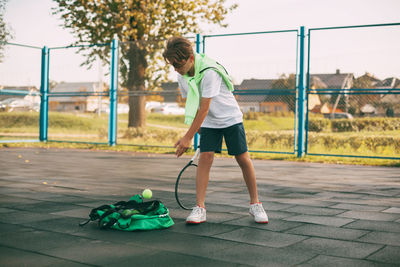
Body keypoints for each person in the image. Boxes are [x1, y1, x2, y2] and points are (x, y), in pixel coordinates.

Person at [163, 36, 268, 224]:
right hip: (209, 122)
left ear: (190, 59)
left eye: (178, 64)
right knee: (206, 157)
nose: (175, 69)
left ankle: (255, 204)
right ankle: (200, 207)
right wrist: (199, 131)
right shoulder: (182, 76)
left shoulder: (210, 72)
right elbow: (195, 105)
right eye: (172, 65)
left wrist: (187, 137)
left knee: (242, 158)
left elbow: (204, 108)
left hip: (230, 119)